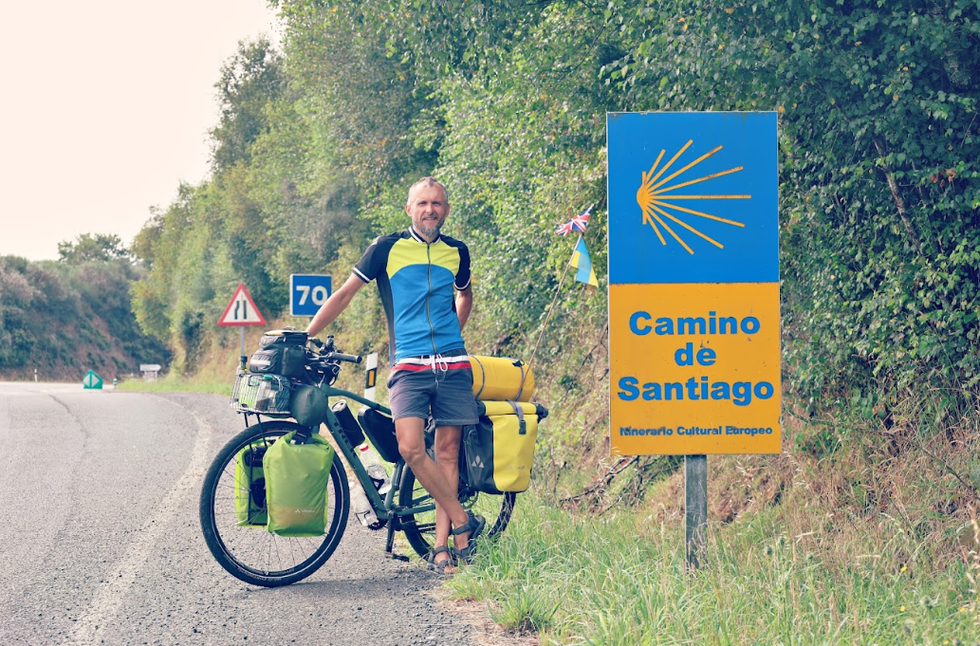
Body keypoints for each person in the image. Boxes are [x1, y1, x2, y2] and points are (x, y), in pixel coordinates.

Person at [305, 176, 484, 574]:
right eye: (422, 203)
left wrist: (456, 332)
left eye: (437, 203)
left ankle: (443, 550)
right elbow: (345, 294)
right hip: (408, 366)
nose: (430, 210)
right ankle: (463, 521)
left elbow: (465, 294)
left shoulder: (457, 252)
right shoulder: (386, 249)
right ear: (409, 209)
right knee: (410, 448)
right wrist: (307, 334)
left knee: (448, 453)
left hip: (453, 366)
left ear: (446, 210)